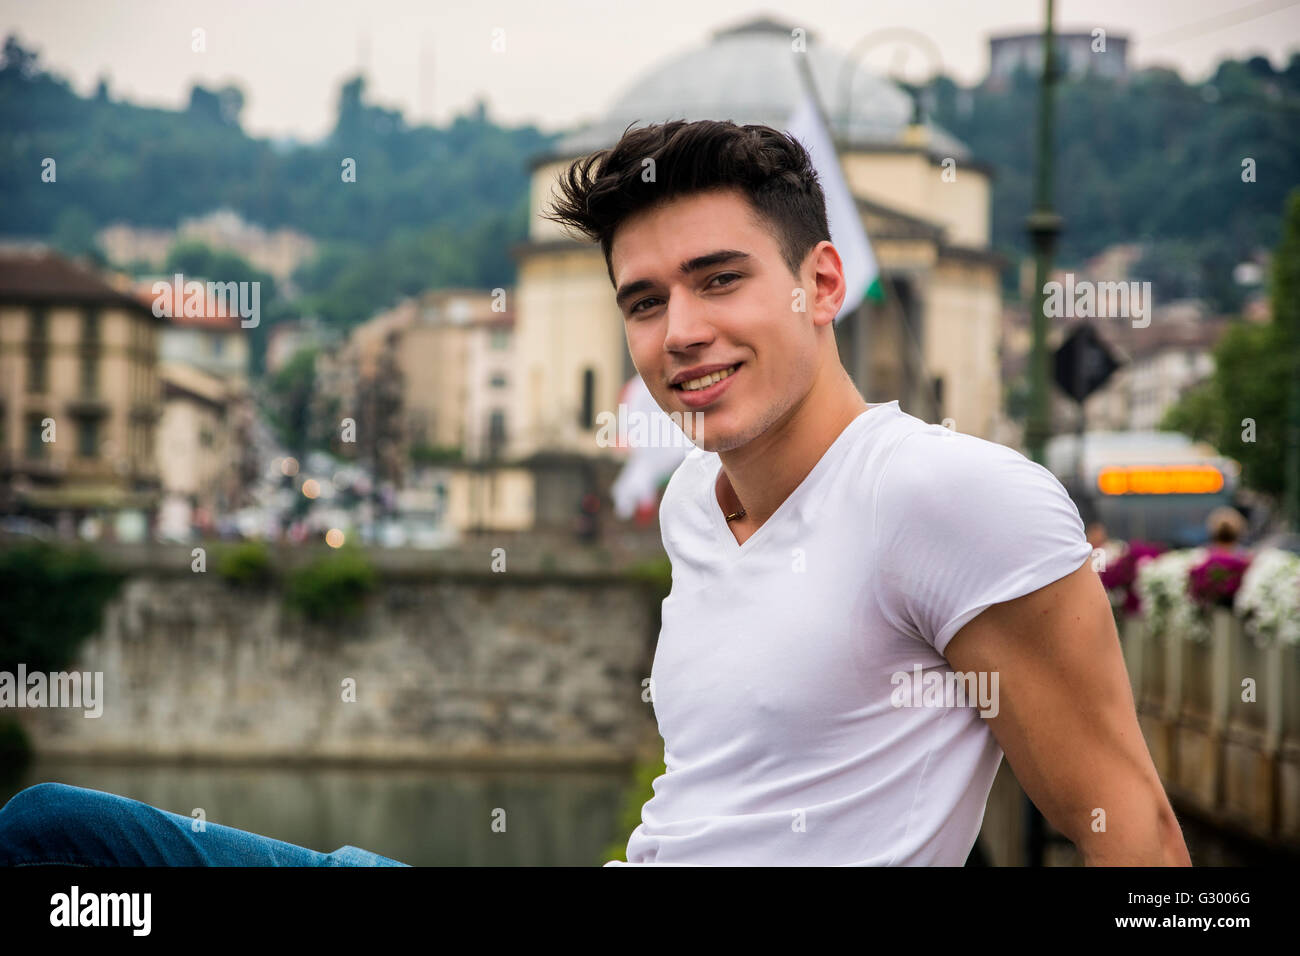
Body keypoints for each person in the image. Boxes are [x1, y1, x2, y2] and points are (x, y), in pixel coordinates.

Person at [542, 118, 1190, 865]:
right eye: (645, 303)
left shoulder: (947, 495)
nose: (680, 332)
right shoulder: (693, 499)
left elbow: (1138, 835)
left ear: (821, 285)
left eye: (720, 279)